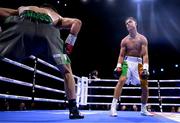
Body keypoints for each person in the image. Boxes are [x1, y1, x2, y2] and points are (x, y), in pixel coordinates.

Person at [0, 4, 84, 119]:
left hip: (22, 27)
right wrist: (69, 45)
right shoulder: (56, 15)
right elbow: (77, 22)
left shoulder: (25, 7)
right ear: (52, 9)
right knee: (66, 71)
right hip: (49, 32)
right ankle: (73, 110)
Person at [110, 17, 153, 116]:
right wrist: (118, 66)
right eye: (126, 24)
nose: (127, 24)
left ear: (135, 24)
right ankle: (112, 108)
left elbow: (145, 55)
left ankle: (143, 109)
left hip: (139, 63)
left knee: (145, 86)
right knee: (121, 80)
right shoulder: (124, 40)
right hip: (127, 62)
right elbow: (121, 55)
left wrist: (146, 68)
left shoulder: (142, 39)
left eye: (129, 22)